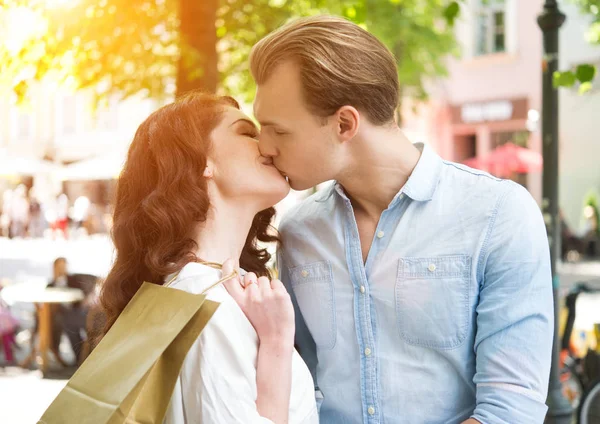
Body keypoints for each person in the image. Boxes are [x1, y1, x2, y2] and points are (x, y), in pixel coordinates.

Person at [251, 16, 554, 423]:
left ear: (344, 124)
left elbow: (512, 409)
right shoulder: (298, 232)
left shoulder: (499, 215)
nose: (264, 147)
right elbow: (299, 384)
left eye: (278, 132)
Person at [97, 93, 318, 423]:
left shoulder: (189, 293)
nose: (268, 144)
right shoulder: (210, 308)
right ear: (201, 161)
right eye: (247, 132)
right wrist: (276, 343)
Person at [46, 257, 97, 365]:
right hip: (63, 314)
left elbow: (84, 294)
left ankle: (85, 357)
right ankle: (79, 358)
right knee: (67, 324)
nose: (61, 269)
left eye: (63, 266)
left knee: (73, 323)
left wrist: (87, 299)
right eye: (59, 266)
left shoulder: (73, 279)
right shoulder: (51, 285)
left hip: (77, 311)